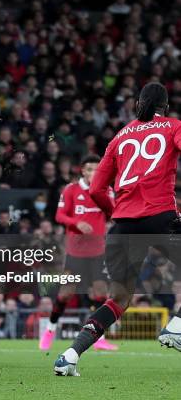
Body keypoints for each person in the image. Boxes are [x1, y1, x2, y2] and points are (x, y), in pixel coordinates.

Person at [55, 82, 181, 376]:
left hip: (124, 225)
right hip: (161, 216)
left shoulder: (120, 136)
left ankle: (70, 355)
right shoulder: (173, 126)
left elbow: (98, 188)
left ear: (139, 103)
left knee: (119, 299)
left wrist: (119, 214)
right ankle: (175, 327)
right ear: (165, 105)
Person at [39, 155, 118, 351]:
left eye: (97, 169)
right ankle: (49, 330)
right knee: (65, 294)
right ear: (82, 170)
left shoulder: (106, 190)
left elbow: (113, 213)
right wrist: (76, 223)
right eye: (90, 169)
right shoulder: (71, 190)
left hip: (98, 252)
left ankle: (98, 337)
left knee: (100, 293)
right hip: (75, 253)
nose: (93, 172)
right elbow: (59, 215)